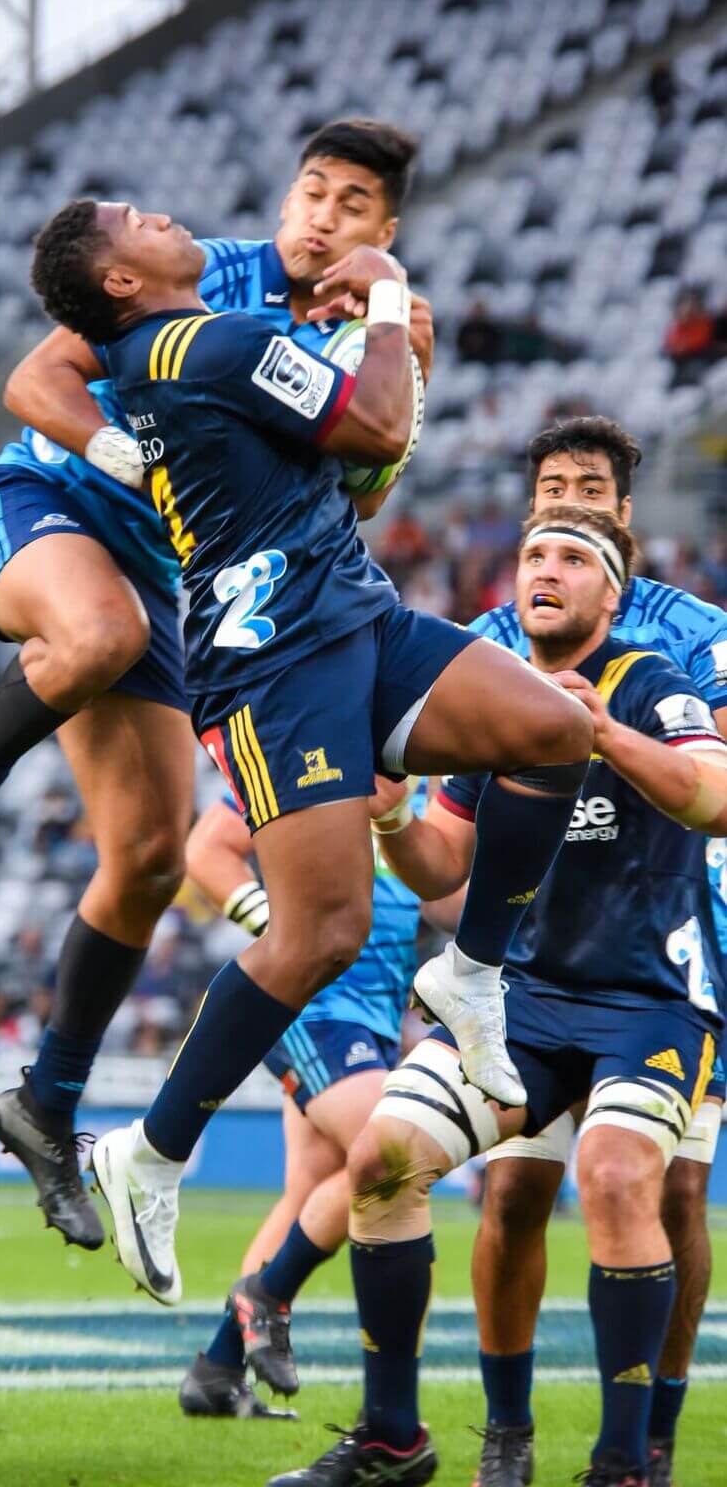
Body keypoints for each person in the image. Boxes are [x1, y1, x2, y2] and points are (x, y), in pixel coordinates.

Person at [28, 194, 593, 1315]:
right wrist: (382, 287)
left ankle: (470, 975)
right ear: (123, 283)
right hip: (275, 660)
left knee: (552, 728)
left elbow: (351, 466)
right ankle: (150, 1149)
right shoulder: (198, 340)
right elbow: (378, 429)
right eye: (131, 219)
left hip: (351, 615)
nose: (160, 213)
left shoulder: (193, 349)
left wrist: (360, 340)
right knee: (323, 929)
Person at [0, 120, 431, 1253]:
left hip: (161, 586)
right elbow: (35, 372)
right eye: (310, 192)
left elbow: (357, 497)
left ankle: (45, 1105)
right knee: (93, 630)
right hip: (43, 508)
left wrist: (401, 368)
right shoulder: (219, 270)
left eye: (350, 206)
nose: (320, 218)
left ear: (383, 235)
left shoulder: (365, 332)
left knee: (147, 858)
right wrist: (116, 450)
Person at [274, 504, 727, 1487]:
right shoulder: (496, 701)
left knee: (612, 1177)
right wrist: (392, 821)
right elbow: (446, 872)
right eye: (530, 554)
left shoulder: (656, 683)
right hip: (515, 1002)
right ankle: (393, 1436)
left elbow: (715, 794)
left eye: (572, 557)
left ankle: (622, 1464)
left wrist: (597, 732)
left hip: (646, 999)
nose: (545, 570)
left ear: (613, 593)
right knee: (383, 1161)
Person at [468, 415, 727, 1487]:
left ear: (624, 511)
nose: (564, 499)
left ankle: (648, 1436)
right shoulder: (491, 628)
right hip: (537, 952)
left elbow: (708, 781)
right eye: (548, 486)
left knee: (666, 1188)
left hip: (675, 934)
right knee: (514, 1196)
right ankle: (508, 1436)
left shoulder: (695, 632)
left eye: (588, 487)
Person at [178, 786, 438, 1421]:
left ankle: (217, 1371)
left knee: (314, 1191)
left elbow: (445, 895)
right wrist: (284, 930)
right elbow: (208, 848)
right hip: (316, 1003)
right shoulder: (313, 747)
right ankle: (267, 1293)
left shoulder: (429, 780)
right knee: (397, 1154)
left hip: (371, 1014)